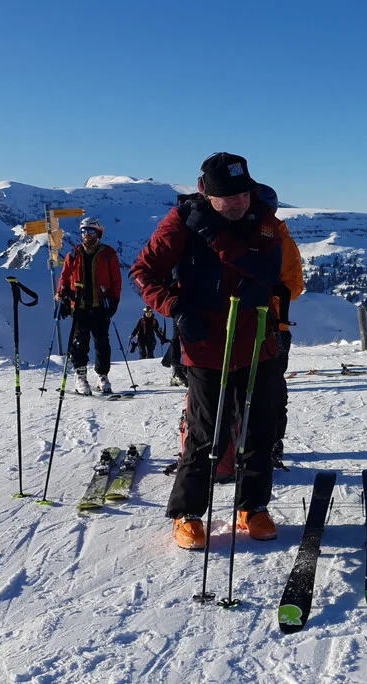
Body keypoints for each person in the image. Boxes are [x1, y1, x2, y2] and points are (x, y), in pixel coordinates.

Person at [131, 152, 284, 550]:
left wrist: (239, 260)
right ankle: (188, 513)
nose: (237, 203)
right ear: (204, 192)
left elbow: (271, 269)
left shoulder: (262, 215)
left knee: (260, 428)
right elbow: (144, 272)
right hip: (205, 347)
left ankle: (252, 506)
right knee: (205, 433)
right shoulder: (181, 222)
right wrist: (176, 309)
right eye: (226, 197)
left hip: (256, 342)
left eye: (243, 194)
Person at [57, 216, 122, 395]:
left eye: (91, 231)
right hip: (79, 306)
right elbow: (64, 276)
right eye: (84, 231)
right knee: (79, 343)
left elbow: (116, 280)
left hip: (101, 305)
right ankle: (80, 377)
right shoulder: (73, 254)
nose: (87, 235)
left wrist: (115, 300)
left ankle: (102, 376)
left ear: (98, 233)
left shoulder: (109, 254)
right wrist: (61, 296)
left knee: (102, 342)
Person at [268, 188, 304, 466]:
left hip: (272, 326)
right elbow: (295, 286)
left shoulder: (281, 241)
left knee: (270, 387)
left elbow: (294, 286)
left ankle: (269, 442)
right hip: (268, 325)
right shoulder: (282, 239)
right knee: (268, 388)